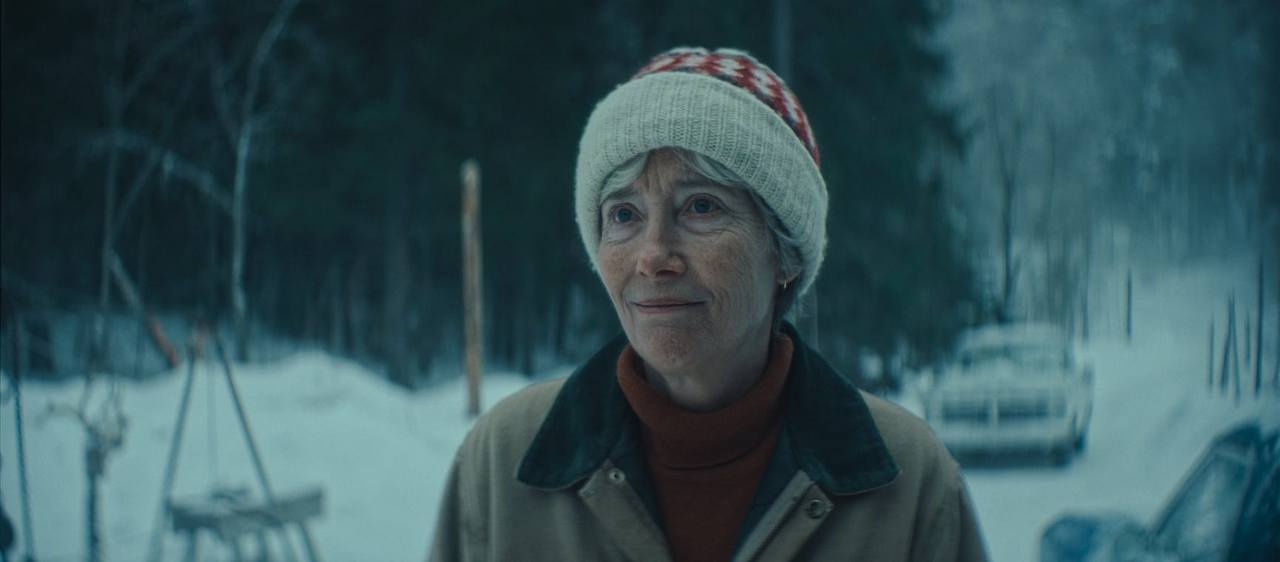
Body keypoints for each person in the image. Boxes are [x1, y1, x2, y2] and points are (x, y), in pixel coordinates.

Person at [430, 47, 988, 562]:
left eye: (701, 206)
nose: (653, 256)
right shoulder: (503, 465)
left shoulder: (908, 483)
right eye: (624, 215)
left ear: (784, 254)